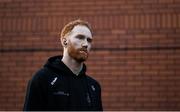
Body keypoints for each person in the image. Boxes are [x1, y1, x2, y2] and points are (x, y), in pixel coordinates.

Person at [23, 19, 103, 111]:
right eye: (80, 37)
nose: (86, 44)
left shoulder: (94, 86)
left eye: (89, 40)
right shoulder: (42, 79)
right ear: (65, 41)